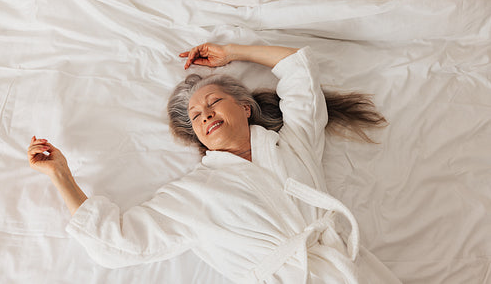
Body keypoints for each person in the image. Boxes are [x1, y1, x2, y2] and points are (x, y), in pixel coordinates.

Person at [27, 43, 399, 283]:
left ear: (244, 107)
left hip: (350, 271)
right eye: (195, 116)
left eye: (212, 103)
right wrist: (61, 175)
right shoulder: (192, 193)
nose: (204, 115)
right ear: (197, 136)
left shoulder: (295, 141)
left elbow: (296, 69)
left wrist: (234, 51)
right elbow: (116, 244)